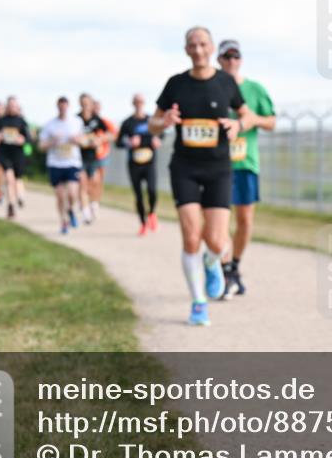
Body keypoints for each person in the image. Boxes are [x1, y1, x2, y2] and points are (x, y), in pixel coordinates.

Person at [149, 26, 256, 327]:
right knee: (191, 236)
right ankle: (198, 303)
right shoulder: (175, 84)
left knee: (217, 240)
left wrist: (238, 126)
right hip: (184, 167)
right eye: (192, 45)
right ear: (186, 50)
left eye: (203, 44)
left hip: (219, 168)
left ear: (211, 48)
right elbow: (152, 124)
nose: (197, 50)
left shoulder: (225, 82)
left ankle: (212, 263)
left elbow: (245, 115)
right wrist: (163, 121)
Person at [215, 39, 276, 297]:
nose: (231, 60)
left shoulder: (254, 89)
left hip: (245, 163)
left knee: (245, 221)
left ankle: (234, 266)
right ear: (219, 60)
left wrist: (251, 121)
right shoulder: (212, 87)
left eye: (235, 56)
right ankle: (224, 268)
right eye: (226, 56)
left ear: (240, 59)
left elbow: (271, 121)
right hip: (217, 164)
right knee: (219, 222)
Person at [116, 93, 161, 235]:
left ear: (144, 103)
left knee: (152, 190)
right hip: (134, 163)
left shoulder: (150, 120)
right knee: (139, 195)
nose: (139, 104)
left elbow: (161, 134)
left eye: (141, 101)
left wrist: (157, 140)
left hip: (149, 162)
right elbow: (118, 142)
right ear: (133, 103)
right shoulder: (128, 122)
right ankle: (143, 223)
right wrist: (128, 143)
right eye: (136, 101)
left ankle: (152, 213)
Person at [39, 96, 84, 234]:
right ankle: (63, 222)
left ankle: (70, 209)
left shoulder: (77, 122)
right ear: (57, 107)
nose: (63, 109)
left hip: (72, 162)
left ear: (68, 107)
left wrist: (77, 140)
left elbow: (84, 141)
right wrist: (52, 141)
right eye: (60, 106)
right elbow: (41, 146)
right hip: (55, 163)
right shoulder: (50, 125)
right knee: (60, 195)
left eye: (65, 106)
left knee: (72, 193)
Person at [0, 96, 32, 219]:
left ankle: (20, 197)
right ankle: (11, 205)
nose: (12, 108)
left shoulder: (21, 121)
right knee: (9, 179)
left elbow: (29, 138)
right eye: (10, 106)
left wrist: (23, 140)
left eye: (14, 106)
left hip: (18, 154)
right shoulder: (1, 120)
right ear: (7, 107)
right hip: (5, 153)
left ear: (17, 107)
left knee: (17, 179)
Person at [77, 93, 108, 224]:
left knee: (95, 182)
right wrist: (78, 140)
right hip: (79, 157)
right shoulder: (76, 119)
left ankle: (94, 204)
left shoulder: (97, 119)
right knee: (82, 183)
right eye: (83, 103)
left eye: (87, 103)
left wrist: (100, 139)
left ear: (91, 104)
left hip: (93, 156)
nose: (85, 105)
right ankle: (85, 213)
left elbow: (109, 133)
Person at [92, 99, 116, 214]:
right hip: (89, 157)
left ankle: (95, 202)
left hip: (102, 155)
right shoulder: (88, 122)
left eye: (98, 107)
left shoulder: (104, 122)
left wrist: (103, 138)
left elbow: (114, 135)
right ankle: (89, 200)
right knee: (91, 180)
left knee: (99, 181)